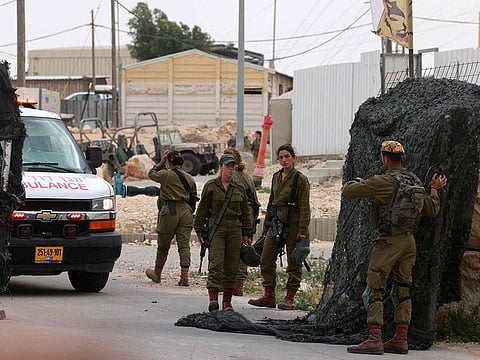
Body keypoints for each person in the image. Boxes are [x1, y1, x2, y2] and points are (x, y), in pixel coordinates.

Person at [342, 140, 448, 355]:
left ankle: (374, 338)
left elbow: (348, 191)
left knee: (375, 288)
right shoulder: (414, 180)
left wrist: (361, 182)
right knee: (403, 289)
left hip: (389, 241)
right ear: (402, 158)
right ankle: (400, 339)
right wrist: (435, 190)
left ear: (385, 158)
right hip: (409, 242)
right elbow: (432, 209)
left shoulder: (384, 181)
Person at [248, 143, 311, 310]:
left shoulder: (300, 179)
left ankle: (290, 297)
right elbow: (271, 203)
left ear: (293, 158)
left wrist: (303, 231)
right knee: (266, 258)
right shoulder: (276, 177)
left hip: (294, 225)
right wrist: (266, 226)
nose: (284, 160)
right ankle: (269, 295)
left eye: (287, 157)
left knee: (294, 263)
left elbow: (305, 207)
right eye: (281, 157)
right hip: (276, 224)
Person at [194, 153, 253, 312]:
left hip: (234, 228)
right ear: (221, 167)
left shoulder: (239, 188)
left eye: (232, 166)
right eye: (227, 166)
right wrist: (199, 230)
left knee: (232, 265)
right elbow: (202, 210)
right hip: (216, 227)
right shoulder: (211, 186)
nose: (230, 169)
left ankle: (227, 302)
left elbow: (246, 212)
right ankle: (213, 298)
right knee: (216, 263)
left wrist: (248, 232)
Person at [145, 150, 197, 287]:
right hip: (186, 211)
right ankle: (185, 276)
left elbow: (151, 174)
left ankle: (157, 273)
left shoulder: (166, 175)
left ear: (169, 161)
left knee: (163, 244)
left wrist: (161, 162)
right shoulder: (189, 178)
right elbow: (193, 198)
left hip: (170, 211)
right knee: (184, 245)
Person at [223, 148, 261, 296]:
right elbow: (255, 203)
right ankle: (238, 285)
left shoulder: (231, 178)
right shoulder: (246, 177)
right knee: (242, 251)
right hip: (247, 218)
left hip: (236, 218)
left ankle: (231, 284)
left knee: (230, 251)